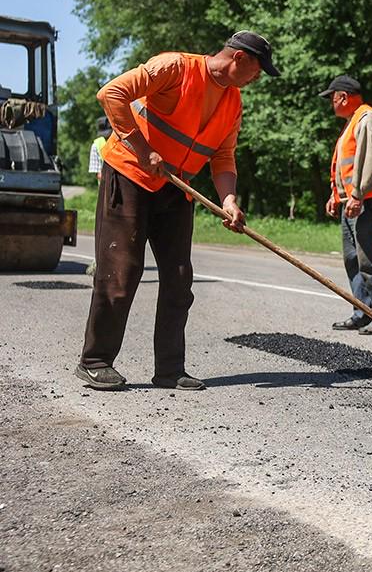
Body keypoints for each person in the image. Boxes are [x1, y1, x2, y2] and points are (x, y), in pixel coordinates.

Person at [76, 31, 279, 391]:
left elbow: (223, 157)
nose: (257, 78)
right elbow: (111, 94)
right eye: (258, 70)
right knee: (121, 272)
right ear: (240, 58)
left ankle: (170, 370)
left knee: (179, 276)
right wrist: (142, 149)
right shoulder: (175, 67)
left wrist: (229, 199)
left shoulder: (233, 103)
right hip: (129, 174)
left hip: (175, 185)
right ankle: (95, 361)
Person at [320, 75, 372, 334]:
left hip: (368, 201)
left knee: (369, 259)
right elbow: (348, 165)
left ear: (343, 96)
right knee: (353, 260)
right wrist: (337, 195)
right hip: (352, 201)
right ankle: (362, 311)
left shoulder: (368, 118)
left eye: (333, 98)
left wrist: (358, 195)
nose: (332, 104)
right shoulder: (352, 123)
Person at [85, 116, 111, 278]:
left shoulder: (120, 139)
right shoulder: (98, 145)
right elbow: (99, 174)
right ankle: (100, 263)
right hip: (106, 188)